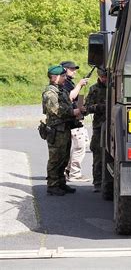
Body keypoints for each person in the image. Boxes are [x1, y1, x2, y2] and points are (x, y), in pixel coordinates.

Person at [42, 65, 84, 196]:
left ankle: (61, 183)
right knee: (55, 159)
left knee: (64, 158)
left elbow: (68, 103)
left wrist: (79, 109)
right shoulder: (50, 93)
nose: (65, 78)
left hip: (64, 129)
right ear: (55, 77)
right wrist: (74, 112)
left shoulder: (61, 90)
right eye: (63, 76)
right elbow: (57, 110)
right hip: (56, 130)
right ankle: (52, 185)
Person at [60, 61, 91, 182]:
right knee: (80, 146)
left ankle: (68, 170)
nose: (74, 71)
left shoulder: (67, 82)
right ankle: (74, 173)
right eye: (72, 69)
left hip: (75, 118)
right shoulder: (65, 84)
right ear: (64, 69)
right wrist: (79, 85)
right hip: (72, 119)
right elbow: (70, 97)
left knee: (82, 143)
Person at [85, 68, 107, 192]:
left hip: (112, 125)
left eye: (106, 76)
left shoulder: (114, 87)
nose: (105, 79)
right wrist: (100, 107)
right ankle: (97, 182)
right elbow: (87, 108)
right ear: (99, 76)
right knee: (98, 155)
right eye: (103, 76)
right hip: (99, 126)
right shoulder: (94, 89)